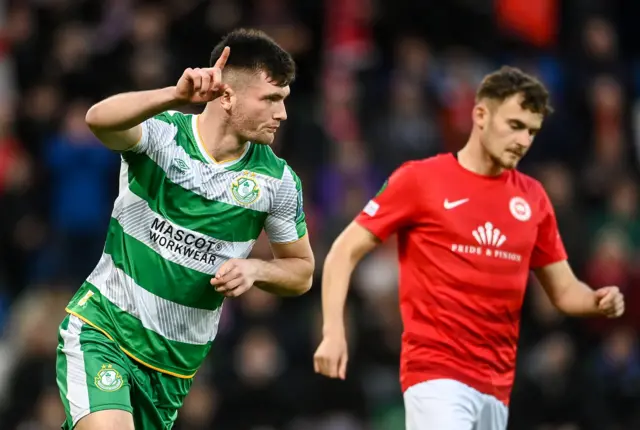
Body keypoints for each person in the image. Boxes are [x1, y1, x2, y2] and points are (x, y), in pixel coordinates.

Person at [313, 66, 625, 430]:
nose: (523, 140)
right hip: (435, 375)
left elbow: (565, 290)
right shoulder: (420, 179)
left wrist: (596, 300)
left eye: (532, 131)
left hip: (496, 384)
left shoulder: (533, 199)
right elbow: (342, 251)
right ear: (481, 115)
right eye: (515, 125)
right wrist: (333, 331)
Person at [56, 28, 314, 430]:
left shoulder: (277, 182)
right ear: (226, 96)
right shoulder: (163, 134)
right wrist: (173, 96)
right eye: (271, 100)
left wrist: (257, 270)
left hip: (172, 370)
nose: (281, 114)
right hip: (104, 330)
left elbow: (301, 271)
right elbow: (98, 121)